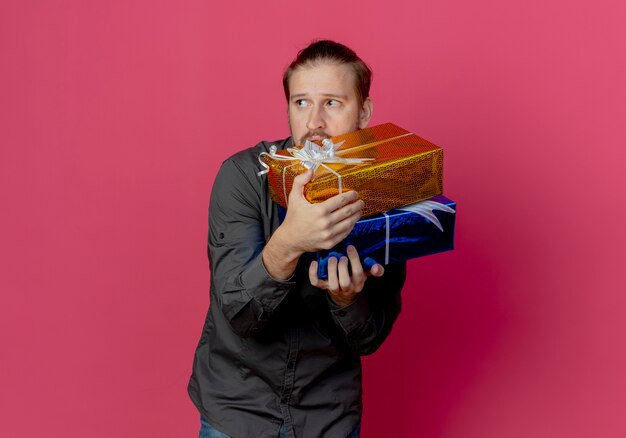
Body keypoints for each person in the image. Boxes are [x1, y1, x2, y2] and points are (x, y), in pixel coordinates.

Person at [188, 40, 406, 438]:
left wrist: (347, 300)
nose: (314, 122)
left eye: (333, 103)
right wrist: (289, 242)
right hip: (238, 411)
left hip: (329, 415)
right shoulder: (240, 177)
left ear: (364, 113)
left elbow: (371, 336)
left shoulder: (386, 190)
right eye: (301, 103)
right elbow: (238, 313)